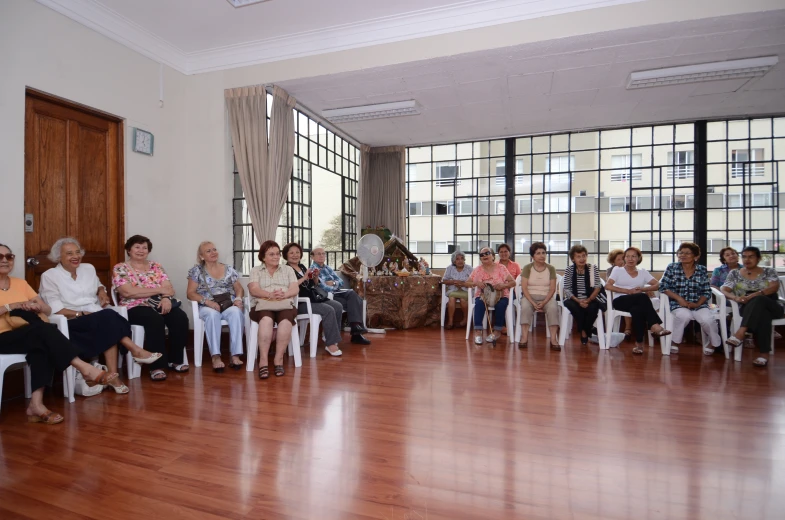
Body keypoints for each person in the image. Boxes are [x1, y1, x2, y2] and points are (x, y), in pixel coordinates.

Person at [0, 243, 118, 424]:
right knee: (43, 333)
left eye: (9, 257)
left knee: (42, 341)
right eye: (0, 257)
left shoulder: (20, 283)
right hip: (3, 336)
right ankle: (84, 368)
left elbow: (47, 310)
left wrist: (37, 306)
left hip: (25, 333)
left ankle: (36, 405)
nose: (5, 261)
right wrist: (10, 306)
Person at [38, 237, 162, 394]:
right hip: (70, 321)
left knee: (107, 321)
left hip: (96, 317)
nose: (75, 256)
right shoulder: (50, 276)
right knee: (108, 317)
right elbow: (54, 309)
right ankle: (135, 350)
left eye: (77, 252)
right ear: (58, 257)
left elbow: (98, 285)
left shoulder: (88, 268)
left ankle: (113, 376)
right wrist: (80, 313)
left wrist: (102, 292)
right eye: (69, 253)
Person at [112, 235, 190, 381]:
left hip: (159, 303)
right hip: (134, 307)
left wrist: (166, 297)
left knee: (180, 317)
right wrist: (160, 290)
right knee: (154, 320)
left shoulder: (156, 266)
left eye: (144, 248)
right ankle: (157, 366)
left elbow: (169, 288)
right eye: (137, 247)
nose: (141, 250)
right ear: (129, 250)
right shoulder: (120, 268)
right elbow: (128, 292)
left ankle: (175, 360)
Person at [186, 241, 244, 373]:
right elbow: (190, 293)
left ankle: (235, 355)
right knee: (212, 315)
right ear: (201, 256)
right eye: (208, 251)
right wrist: (208, 302)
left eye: (214, 249)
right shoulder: (196, 271)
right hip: (207, 304)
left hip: (227, 303)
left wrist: (239, 298)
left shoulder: (229, 269)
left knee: (236, 313)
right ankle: (216, 356)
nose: (213, 253)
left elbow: (239, 288)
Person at [721, 246, 783, 367]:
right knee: (763, 314)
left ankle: (741, 332)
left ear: (758, 258)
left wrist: (756, 294)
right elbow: (724, 289)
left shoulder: (768, 271)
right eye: (744, 256)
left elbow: (774, 287)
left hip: (772, 304)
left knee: (759, 300)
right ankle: (763, 354)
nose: (747, 259)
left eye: (751, 256)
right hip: (748, 307)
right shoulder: (734, 273)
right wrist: (735, 298)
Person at [247, 240, 299, 378]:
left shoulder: (288, 270)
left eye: (277, 254)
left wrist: (284, 294)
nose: (276, 257)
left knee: (286, 322)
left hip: (284, 303)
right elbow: (254, 289)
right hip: (263, 304)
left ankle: (278, 359)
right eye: (271, 254)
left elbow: (295, 288)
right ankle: (263, 361)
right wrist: (270, 295)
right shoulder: (256, 270)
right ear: (263, 257)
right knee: (266, 321)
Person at [605, 247, 671, 355]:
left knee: (638, 309)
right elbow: (608, 285)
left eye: (634, 256)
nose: (630, 259)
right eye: (628, 256)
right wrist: (628, 291)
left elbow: (659, 284)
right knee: (642, 297)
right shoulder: (617, 270)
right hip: (620, 301)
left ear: (638, 258)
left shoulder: (643, 272)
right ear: (624, 258)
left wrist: (644, 289)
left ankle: (639, 344)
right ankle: (654, 325)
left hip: (638, 301)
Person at [659, 242, 720, 356]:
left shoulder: (701, 270)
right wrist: (679, 299)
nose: (683, 255)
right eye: (681, 252)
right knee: (684, 315)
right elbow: (663, 287)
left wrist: (697, 304)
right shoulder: (672, 267)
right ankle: (676, 341)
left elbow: (706, 291)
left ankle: (713, 343)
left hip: (698, 304)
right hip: (677, 304)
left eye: (687, 253)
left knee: (707, 319)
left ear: (695, 257)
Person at [283, 242, 344, 356]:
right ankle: (330, 345)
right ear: (286, 255)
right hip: (299, 302)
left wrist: (315, 277)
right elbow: (290, 286)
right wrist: (305, 277)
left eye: (297, 252)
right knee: (328, 310)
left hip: (312, 298)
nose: (295, 255)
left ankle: (330, 336)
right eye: (291, 253)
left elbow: (313, 284)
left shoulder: (302, 267)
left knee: (337, 306)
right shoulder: (286, 269)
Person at [310, 247, 371, 345]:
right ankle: (356, 332)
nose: (322, 256)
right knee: (355, 298)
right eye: (318, 254)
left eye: (323, 254)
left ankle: (356, 330)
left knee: (354, 297)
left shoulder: (327, 268)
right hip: (326, 297)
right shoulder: (313, 270)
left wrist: (333, 283)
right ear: (312, 257)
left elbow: (340, 282)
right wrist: (333, 285)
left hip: (336, 294)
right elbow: (322, 287)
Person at [468, 247, 515, 345]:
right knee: (479, 303)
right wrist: (476, 282)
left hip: (501, 295)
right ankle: (478, 332)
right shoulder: (477, 270)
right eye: (482, 255)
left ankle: (497, 331)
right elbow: (467, 283)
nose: (484, 256)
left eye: (487, 253)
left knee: (501, 304)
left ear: (493, 256)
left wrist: (503, 285)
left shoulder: (501, 268)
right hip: (483, 295)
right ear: (480, 258)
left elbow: (513, 282)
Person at [518, 242, 560, 350]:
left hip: (547, 297)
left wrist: (544, 302)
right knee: (526, 307)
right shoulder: (527, 268)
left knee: (553, 307)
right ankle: (524, 338)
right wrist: (532, 302)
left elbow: (552, 288)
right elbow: (524, 288)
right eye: (538, 253)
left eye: (543, 253)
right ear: (533, 256)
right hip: (529, 296)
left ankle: (553, 339)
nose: (542, 255)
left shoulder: (551, 268)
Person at [563, 245, 603, 346]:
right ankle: (588, 329)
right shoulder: (569, 270)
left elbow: (598, 287)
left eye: (584, 256)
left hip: (590, 298)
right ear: (573, 259)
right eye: (578, 256)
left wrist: (588, 300)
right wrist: (578, 301)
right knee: (573, 306)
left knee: (593, 307)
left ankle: (584, 331)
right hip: (574, 299)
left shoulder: (592, 269)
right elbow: (567, 289)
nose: (582, 259)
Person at [441, 251, 473, 330]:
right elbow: (444, 281)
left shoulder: (469, 268)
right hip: (453, 290)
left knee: (462, 299)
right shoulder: (450, 268)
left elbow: (474, 281)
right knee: (451, 298)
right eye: (457, 259)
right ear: (454, 261)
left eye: (462, 258)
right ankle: (450, 321)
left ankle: (465, 319)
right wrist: (453, 282)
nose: (460, 261)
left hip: (466, 290)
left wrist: (463, 283)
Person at [496, 244, 520, 335]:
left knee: (502, 300)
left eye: (505, 251)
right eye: (501, 252)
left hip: (511, 291)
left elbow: (519, 281)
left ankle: (502, 325)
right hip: (497, 290)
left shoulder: (515, 265)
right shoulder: (495, 265)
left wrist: (506, 286)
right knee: (496, 298)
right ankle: (500, 325)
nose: (503, 253)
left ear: (509, 253)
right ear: (498, 254)